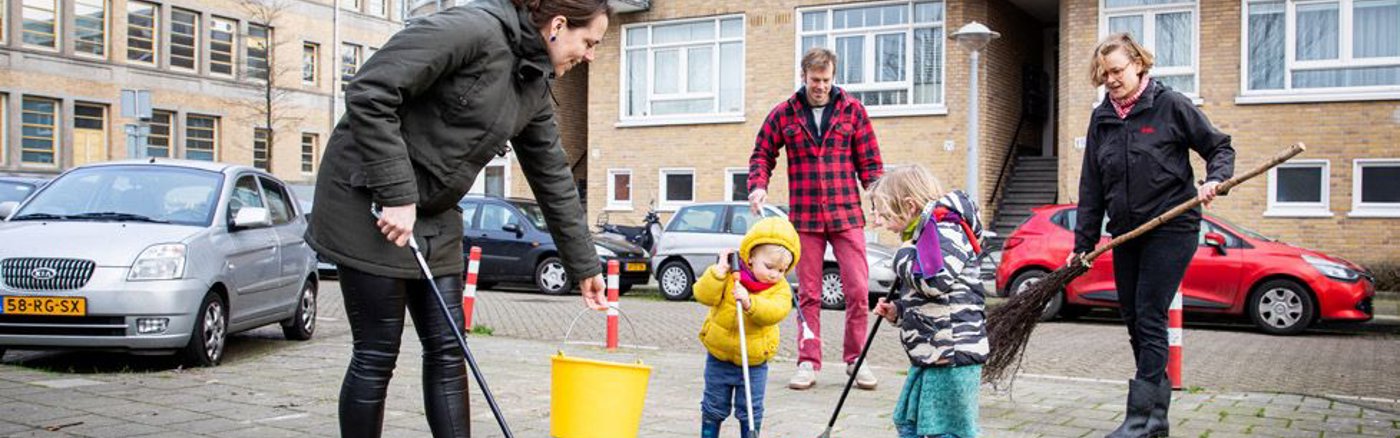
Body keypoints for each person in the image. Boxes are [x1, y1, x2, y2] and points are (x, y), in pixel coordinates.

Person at [304, 0, 612, 436]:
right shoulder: (471, 30)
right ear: (558, 25)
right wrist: (396, 194)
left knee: (450, 348)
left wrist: (584, 265)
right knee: (377, 351)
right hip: (368, 197)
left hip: (434, 213)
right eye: (590, 42)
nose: (590, 55)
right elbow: (370, 91)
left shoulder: (532, 84)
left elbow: (553, 177)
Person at [1071, 33, 1235, 438]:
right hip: (1127, 232)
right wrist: (1083, 242)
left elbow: (1220, 147)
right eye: (1104, 73)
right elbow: (1091, 184)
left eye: (1118, 71)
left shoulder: (1171, 105)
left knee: (1149, 313)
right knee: (1133, 317)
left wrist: (1214, 180)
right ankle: (1154, 419)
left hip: (1171, 226)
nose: (1111, 80)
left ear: (1139, 65)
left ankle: (1142, 420)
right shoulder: (1102, 117)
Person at [749, 47, 884, 391]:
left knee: (856, 290)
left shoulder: (853, 111)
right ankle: (808, 361)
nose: (821, 86)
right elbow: (763, 153)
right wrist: (758, 186)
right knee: (809, 293)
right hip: (806, 218)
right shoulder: (785, 113)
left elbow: (870, 164)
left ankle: (855, 360)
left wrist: (880, 200)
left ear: (833, 77)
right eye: (815, 80)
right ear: (804, 77)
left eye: (826, 80)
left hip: (847, 215)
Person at [869, 165, 989, 438]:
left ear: (909, 206)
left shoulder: (945, 229)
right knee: (908, 420)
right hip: (933, 353)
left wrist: (900, 255)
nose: (878, 220)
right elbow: (932, 296)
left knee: (947, 430)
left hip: (952, 354)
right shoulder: (925, 232)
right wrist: (898, 311)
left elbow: (935, 282)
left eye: (884, 213)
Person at [693, 217, 800, 438]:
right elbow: (703, 295)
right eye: (769, 266)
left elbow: (776, 312)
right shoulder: (731, 276)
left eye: (782, 270)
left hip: (753, 363)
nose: (774, 274)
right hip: (719, 358)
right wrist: (717, 273)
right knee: (713, 405)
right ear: (750, 257)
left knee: (750, 409)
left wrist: (751, 303)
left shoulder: (779, 289)